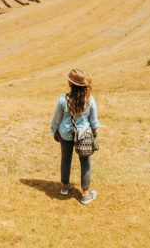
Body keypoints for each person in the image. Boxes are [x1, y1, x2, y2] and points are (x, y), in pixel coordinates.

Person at [50, 68, 99, 205]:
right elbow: (94, 120)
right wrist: (94, 132)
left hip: (65, 133)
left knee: (66, 159)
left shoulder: (63, 99)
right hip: (83, 134)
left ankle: (65, 187)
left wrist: (54, 131)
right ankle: (85, 194)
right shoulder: (90, 99)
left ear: (71, 84)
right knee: (86, 162)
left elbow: (57, 118)